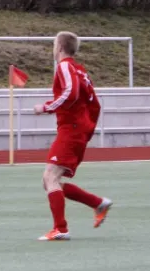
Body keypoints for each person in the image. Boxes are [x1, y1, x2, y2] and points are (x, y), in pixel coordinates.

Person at [33, 31, 112, 241]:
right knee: (50, 180)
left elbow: (71, 92)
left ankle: (61, 228)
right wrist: (87, 129)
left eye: (53, 44)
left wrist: (47, 107)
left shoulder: (65, 66)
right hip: (77, 128)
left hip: (72, 128)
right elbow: (94, 104)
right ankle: (97, 203)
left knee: (50, 177)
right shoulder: (80, 70)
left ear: (59, 47)